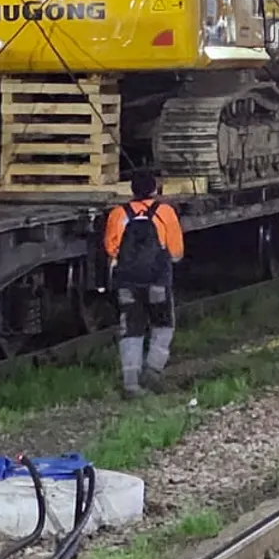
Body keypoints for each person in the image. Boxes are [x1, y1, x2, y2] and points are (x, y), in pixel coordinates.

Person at [102, 167, 184, 397]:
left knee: (131, 329)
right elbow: (176, 252)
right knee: (163, 325)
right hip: (158, 281)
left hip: (127, 283)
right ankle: (153, 371)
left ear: (132, 190)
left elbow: (111, 248)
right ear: (154, 189)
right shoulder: (165, 212)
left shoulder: (118, 213)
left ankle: (131, 383)